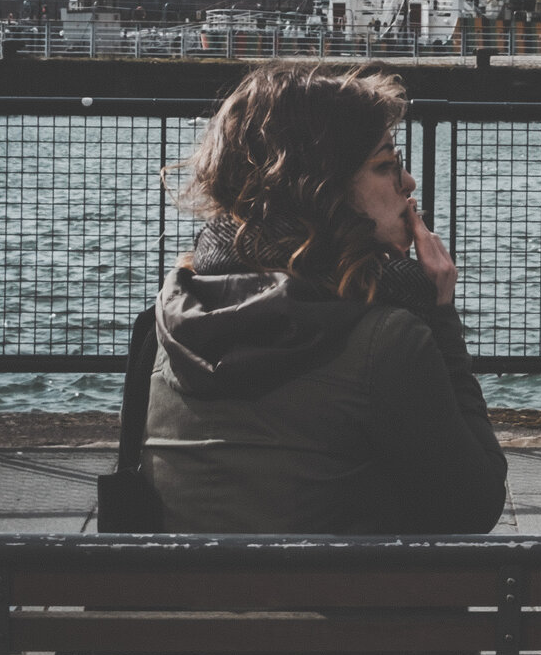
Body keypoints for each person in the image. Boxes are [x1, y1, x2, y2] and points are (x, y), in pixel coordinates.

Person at [141, 64, 507, 533]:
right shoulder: (388, 340)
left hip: (173, 597)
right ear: (320, 189)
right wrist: (439, 315)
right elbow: (475, 507)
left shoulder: (168, 319)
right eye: (385, 165)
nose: (409, 183)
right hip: (344, 603)